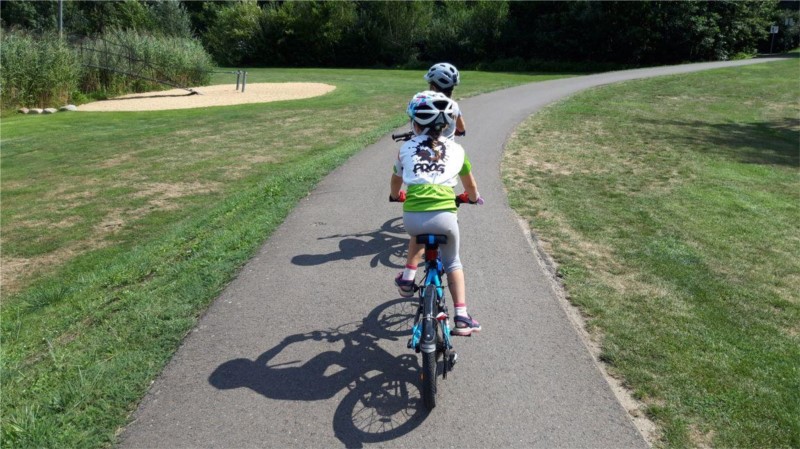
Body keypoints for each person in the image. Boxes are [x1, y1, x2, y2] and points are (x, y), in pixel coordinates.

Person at [389, 91, 482, 336]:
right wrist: (471, 198)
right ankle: (461, 316)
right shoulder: (457, 150)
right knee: (452, 262)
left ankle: (408, 278)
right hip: (446, 218)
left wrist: (396, 195)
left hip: (412, 218)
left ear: (415, 124)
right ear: (447, 125)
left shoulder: (405, 148)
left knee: (416, 234)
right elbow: (470, 187)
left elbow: (395, 180)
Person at [423, 62, 466, 138]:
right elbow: (461, 128)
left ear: (433, 88)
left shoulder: (422, 105)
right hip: (448, 148)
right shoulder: (454, 106)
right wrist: (459, 131)